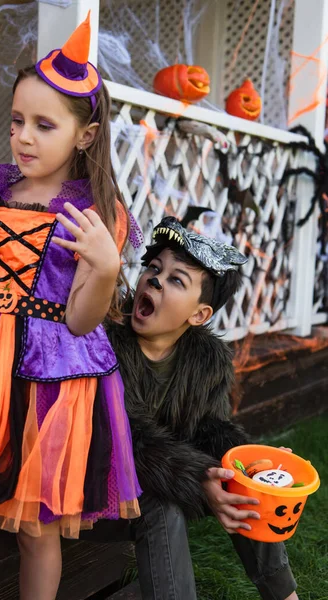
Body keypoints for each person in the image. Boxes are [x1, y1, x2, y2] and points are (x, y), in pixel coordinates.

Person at [0, 14, 141, 600]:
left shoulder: (98, 217)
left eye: (44, 125)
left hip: (49, 381)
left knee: (37, 531)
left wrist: (106, 267)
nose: (22, 137)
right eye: (18, 120)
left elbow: (81, 320)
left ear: (85, 135)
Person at [97, 216, 298, 600]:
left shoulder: (207, 360)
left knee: (247, 485)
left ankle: (284, 596)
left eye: (176, 279)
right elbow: (125, 437)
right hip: (96, 483)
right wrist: (200, 476)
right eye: (153, 269)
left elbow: (210, 427)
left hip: (167, 475)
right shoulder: (105, 341)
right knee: (162, 505)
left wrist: (250, 462)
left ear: (199, 314)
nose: (155, 280)